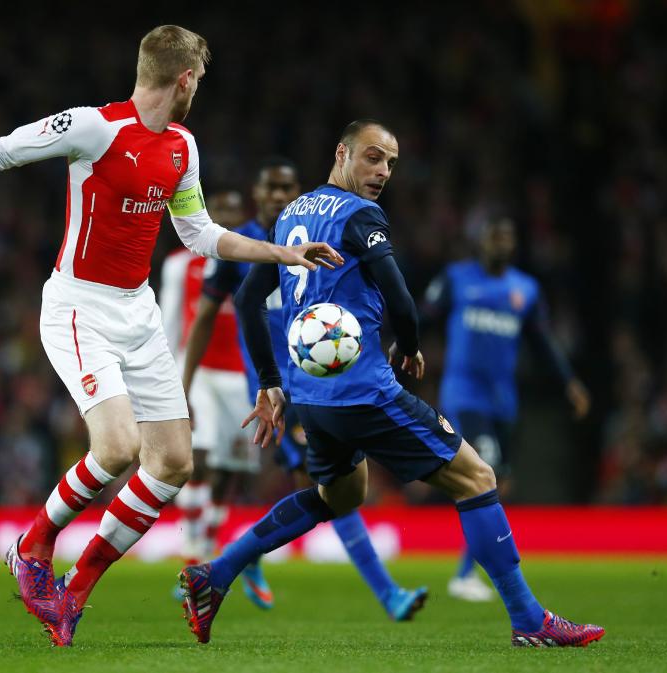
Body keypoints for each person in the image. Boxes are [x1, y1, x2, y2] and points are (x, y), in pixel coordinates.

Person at [0, 25, 341, 647]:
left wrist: (281, 252)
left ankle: (76, 590)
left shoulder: (183, 147)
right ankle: (35, 543)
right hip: (78, 307)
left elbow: (199, 233)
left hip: (136, 314)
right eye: (199, 81)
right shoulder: (94, 127)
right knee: (115, 448)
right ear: (185, 79)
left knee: (171, 463)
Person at [180, 119, 605, 648]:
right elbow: (400, 297)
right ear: (342, 154)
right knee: (477, 478)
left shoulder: (290, 214)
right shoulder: (360, 215)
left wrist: (271, 382)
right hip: (364, 391)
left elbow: (246, 300)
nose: (382, 171)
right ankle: (529, 620)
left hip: (311, 397)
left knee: (337, 494)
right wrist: (407, 343)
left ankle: (214, 574)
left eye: (391, 163)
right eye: (373, 157)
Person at [180, 159, 426, 618]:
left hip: (317, 384)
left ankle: (234, 562)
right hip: (277, 389)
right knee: (327, 491)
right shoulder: (243, 247)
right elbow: (212, 315)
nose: (279, 196)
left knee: (328, 491)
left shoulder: (322, 234)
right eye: (271, 187)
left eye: (287, 187)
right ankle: (382, 592)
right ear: (258, 193)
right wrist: (187, 384)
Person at [423, 216, 591, 602]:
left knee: (501, 483)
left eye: (507, 236)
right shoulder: (456, 278)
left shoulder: (525, 290)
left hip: (503, 401)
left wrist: (569, 383)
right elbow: (423, 316)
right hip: (465, 396)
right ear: (481, 241)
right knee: (487, 471)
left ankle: (467, 570)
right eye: (495, 235)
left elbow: (543, 342)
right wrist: (403, 346)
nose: (501, 242)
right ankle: (465, 575)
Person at [160, 189, 257, 575]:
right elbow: (168, 322)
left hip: (240, 376)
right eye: (221, 210)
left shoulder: (253, 261)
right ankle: (191, 549)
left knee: (228, 468)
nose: (228, 216)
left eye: (235, 209)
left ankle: (208, 542)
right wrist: (169, 380)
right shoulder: (180, 264)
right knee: (196, 456)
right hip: (196, 369)